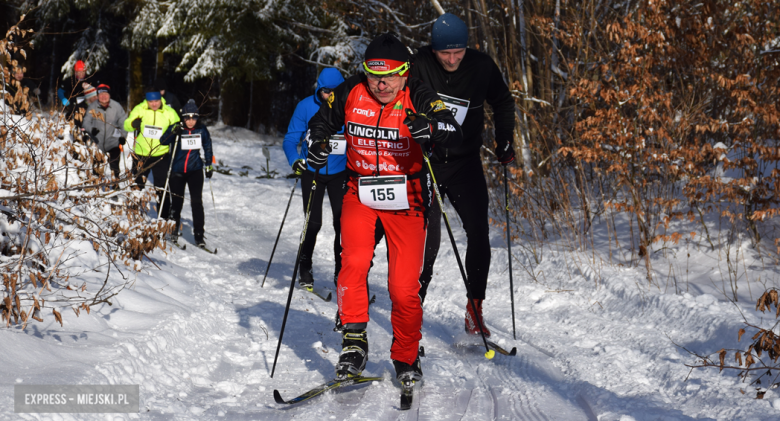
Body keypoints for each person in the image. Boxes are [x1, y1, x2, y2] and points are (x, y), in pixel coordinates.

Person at [307, 33, 462, 383]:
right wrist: (317, 143)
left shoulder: (418, 94)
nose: (381, 84)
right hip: (359, 191)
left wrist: (431, 127)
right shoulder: (350, 92)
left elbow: (453, 129)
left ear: (405, 73)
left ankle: (406, 356)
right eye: (374, 75)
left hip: (406, 198)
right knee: (354, 263)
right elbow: (322, 122)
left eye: (390, 75)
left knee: (402, 288)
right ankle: (354, 340)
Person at [410, 13, 517, 338]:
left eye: (458, 52)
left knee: (479, 235)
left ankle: (475, 307)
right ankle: (413, 311)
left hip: (465, 163)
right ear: (434, 49)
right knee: (426, 244)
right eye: (446, 53)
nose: (453, 59)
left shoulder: (481, 66)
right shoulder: (418, 65)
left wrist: (505, 138)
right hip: (426, 162)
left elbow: (503, 101)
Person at [282, 67, 346, 289]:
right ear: (319, 89)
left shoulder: (348, 106)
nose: (330, 96)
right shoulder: (305, 106)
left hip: (340, 172)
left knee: (343, 224)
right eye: (326, 91)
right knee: (313, 222)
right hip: (312, 171)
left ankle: (342, 271)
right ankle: (305, 266)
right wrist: (294, 160)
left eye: (335, 92)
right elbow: (290, 139)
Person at [160, 99, 214, 248]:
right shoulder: (177, 128)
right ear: (183, 117)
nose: (190, 121)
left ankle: (199, 236)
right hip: (177, 171)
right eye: (187, 118)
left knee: (197, 202)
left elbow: (208, 146)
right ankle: (173, 231)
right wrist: (172, 132)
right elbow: (162, 141)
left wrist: (209, 165)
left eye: (194, 118)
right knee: (177, 203)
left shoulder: (201, 130)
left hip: (195, 170)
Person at [123, 88, 180, 219]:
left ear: (161, 100)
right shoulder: (140, 109)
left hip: (161, 154)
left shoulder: (169, 112)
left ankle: (164, 216)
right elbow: (126, 125)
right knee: (137, 184)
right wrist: (133, 123)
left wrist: (176, 129)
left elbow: (177, 125)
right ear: (147, 101)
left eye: (156, 101)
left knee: (161, 187)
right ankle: (134, 213)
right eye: (151, 101)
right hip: (141, 154)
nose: (154, 104)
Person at [82, 84, 128, 180]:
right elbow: (86, 122)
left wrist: (123, 136)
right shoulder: (92, 107)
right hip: (97, 142)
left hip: (113, 142)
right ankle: (96, 186)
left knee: (114, 165)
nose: (103, 96)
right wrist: (91, 130)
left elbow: (124, 122)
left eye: (105, 94)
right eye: (101, 94)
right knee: (97, 167)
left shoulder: (116, 106)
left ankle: (115, 184)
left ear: (109, 95)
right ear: (97, 96)